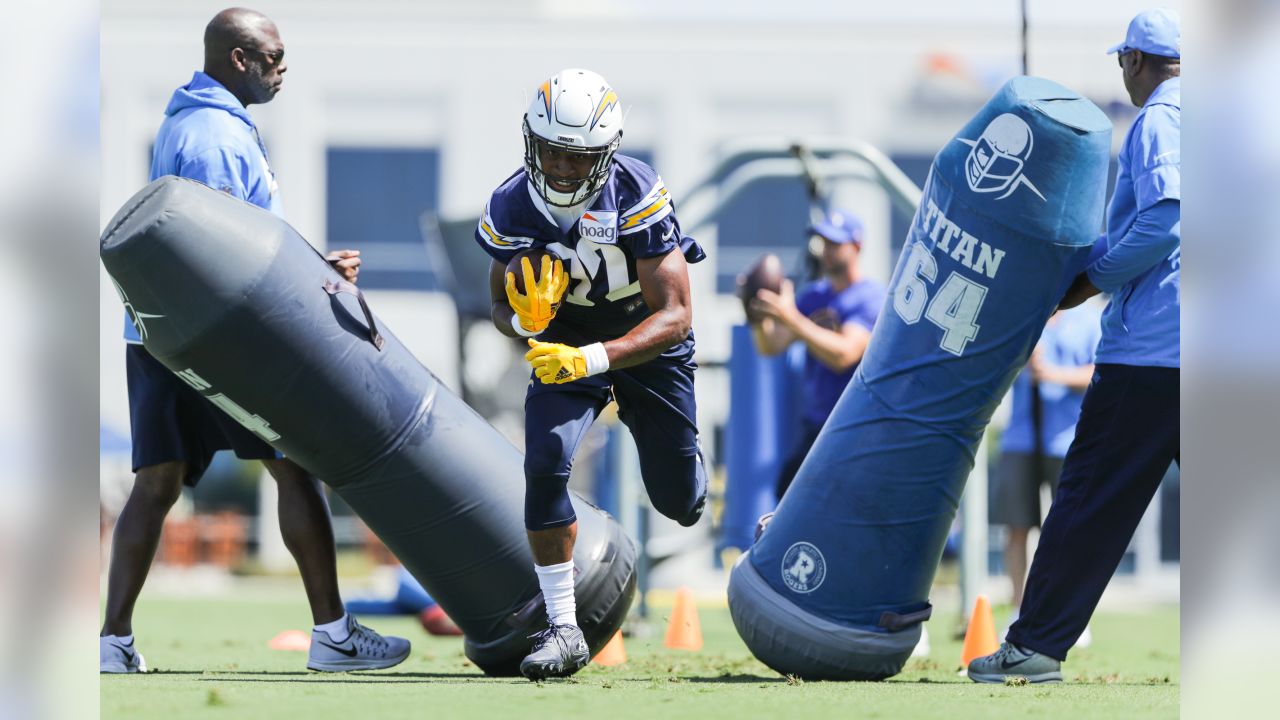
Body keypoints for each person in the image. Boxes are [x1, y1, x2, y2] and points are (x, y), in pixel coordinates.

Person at [101, 8, 408, 674]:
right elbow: (213, 256)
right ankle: (333, 637)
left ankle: (112, 643)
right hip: (214, 341)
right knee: (294, 467)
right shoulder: (213, 134)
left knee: (155, 485)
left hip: (160, 333)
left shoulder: (194, 118)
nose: (283, 67)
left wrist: (312, 269)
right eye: (273, 56)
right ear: (239, 59)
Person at [969, 8, 1180, 683]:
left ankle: (1034, 648)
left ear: (1136, 62)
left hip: (1152, 354)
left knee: (1087, 504)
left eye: (1124, 61)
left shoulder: (1159, 119)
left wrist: (1090, 277)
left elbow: (1164, 222)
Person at [475, 68, 708, 680]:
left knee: (678, 500)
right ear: (532, 141)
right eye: (551, 149)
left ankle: (686, 483)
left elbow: (677, 315)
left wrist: (596, 356)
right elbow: (498, 305)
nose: (560, 167)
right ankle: (563, 627)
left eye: (577, 157)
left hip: (644, 343)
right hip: (564, 343)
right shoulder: (510, 202)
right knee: (544, 463)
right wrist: (524, 322)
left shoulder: (635, 191)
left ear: (604, 153)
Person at [746, 211, 885, 499]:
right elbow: (770, 345)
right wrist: (754, 313)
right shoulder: (814, 296)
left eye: (836, 244)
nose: (828, 252)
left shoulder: (871, 297)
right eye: (824, 244)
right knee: (785, 504)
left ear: (856, 246)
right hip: (816, 427)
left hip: (856, 430)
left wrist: (791, 317)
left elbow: (844, 355)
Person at [991, 306, 1101, 641]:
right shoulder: (1026, 311)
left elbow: (1101, 372)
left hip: (1067, 439)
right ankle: (1017, 609)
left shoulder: (1088, 319)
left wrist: (1053, 374)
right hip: (1020, 437)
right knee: (1017, 527)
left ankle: (1069, 616)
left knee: (1070, 530)